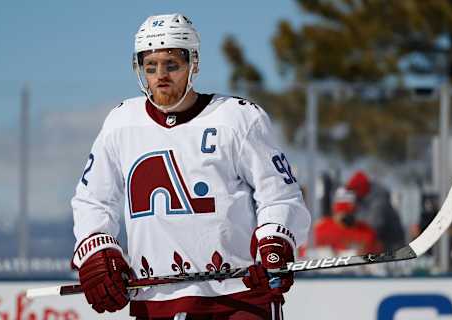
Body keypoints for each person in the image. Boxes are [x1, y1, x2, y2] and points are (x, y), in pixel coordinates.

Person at [70, 13, 311, 320]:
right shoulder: (121, 123)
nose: (160, 76)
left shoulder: (238, 118)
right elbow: (93, 200)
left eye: (172, 64)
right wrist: (97, 251)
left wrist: (274, 241)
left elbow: (280, 195)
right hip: (157, 298)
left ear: (193, 64)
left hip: (239, 296)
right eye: (150, 66)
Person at [345, 171, 405, 251]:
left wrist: (353, 231)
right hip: (377, 246)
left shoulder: (379, 200)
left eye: (354, 190)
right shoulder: (360, 201)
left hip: (392, 247)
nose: (352, 193)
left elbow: (374, 226)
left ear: (360, 188)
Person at [314, 187, 381, 255]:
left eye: (350, 212)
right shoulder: (320, 230)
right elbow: (306, 254)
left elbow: (378, 257)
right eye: (342, 211)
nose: (346, 216)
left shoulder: (367, 232)